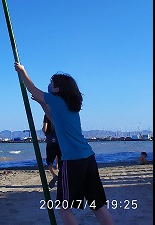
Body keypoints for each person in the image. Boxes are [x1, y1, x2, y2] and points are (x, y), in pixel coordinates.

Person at [14, 63, 114, 225]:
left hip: (73, 161)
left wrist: (22, 72)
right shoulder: (69, 105)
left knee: (62, 207)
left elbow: (32, 89)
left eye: (51, 83)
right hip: (88, 157)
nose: (49, 85)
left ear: (58, 89)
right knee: (97, 205)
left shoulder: (56, 100)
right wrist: (42, 104)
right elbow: (56, 120)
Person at [42, 114, 62, 189]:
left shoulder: (47, 114)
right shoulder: (60, 113)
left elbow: (45, 128)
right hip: (60, 139)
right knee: (61, 160)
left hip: (51, 140)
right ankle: (62, 177)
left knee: (49, 161)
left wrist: (45, 133)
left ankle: (54, 175)